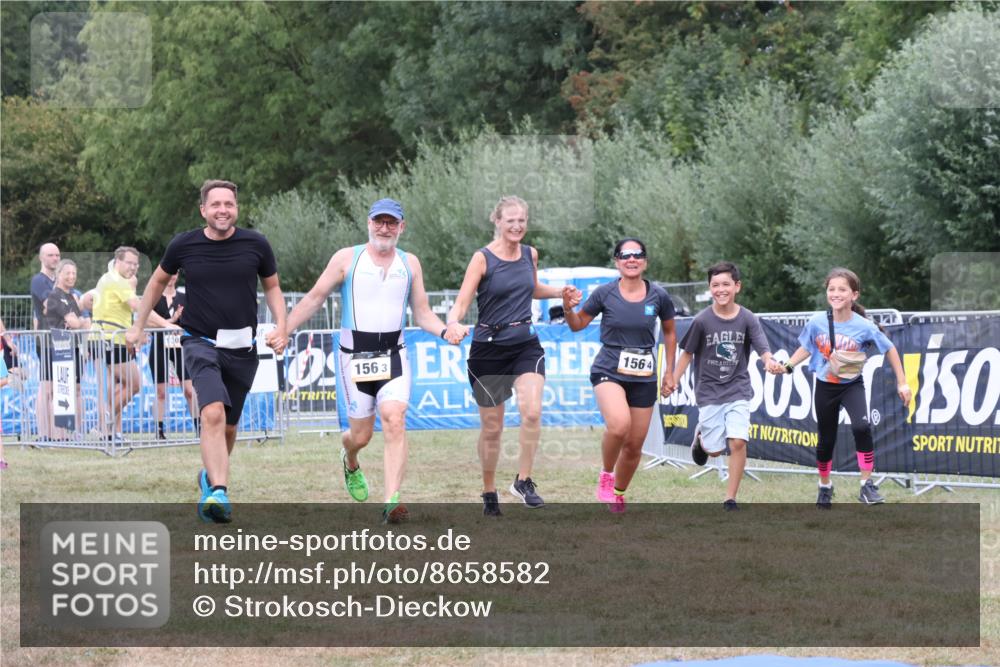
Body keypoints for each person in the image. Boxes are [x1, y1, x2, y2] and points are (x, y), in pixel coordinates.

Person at [286, 198, 464, 524]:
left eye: (391, 223)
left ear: (401, 227)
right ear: (368, 223)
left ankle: (392, 500)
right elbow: (314, 297)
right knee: (361, 436)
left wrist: (444, 331)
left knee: (394, 416)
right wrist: (285, 329)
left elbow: (422, 312)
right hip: (354, 356)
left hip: (394, 354)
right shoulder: (346, 258)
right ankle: (350, 458)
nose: (385, 228)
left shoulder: (410, 264)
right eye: (379, 221)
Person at [126, 180, 287, 524]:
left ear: (236, 208)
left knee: (228, 427)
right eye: (215, 204)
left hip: (243, 347)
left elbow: (272, 286)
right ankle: (219, 491)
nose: (223, 210)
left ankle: (209, 478)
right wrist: (139, 326)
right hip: (200, 342)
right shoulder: (184, 245)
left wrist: (282, 325)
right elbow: (155, 282)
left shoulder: (255, 244)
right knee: (212, 412)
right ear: (203, 209)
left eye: (229, 204)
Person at [444, 195, 580, 516]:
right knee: (493, 429)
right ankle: (489, 490)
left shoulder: (530, 254)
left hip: (525, 344)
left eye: (522, 221)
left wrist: (560, 291)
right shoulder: (482, 259)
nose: (517, 226)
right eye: (511, 221)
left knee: (531, 412)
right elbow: (462, 302)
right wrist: (453, 323)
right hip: (488, 350)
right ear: (498, 222)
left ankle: (524, 480)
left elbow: (531, 288)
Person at [775, 267, 911, 508]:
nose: (836, 294)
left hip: (851, 385)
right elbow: (807, 347)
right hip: (826, 387)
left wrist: (902, 382)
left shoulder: (865, 326)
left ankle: (867, 485)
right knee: (826, 440)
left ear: (854, 295)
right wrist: (787, 365)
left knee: (861, 426)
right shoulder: (817, 322)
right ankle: (825, 486)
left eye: (842, 289)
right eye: (832, 289)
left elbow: (889, 348)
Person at [562, 238, 677, 513]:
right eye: (625, 255)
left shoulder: (659, 296)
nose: (631, 259)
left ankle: (618, 492)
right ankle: (605, 474)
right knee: (619, 425)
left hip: (645, 373)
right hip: (609, 368)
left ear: (645, 261)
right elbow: (578, 325)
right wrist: (568, 308)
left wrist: (669, 372)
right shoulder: (604, 293)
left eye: (637, 254)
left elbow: (671, 332)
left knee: (635, 445)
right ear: (617, 261)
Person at [668, 261, 781, 510]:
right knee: (716, 451)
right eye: (715, 285)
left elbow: (762, 347)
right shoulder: (702, 320)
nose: (721, 289)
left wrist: (769, 361)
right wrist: (673, 380)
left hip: (738, 388)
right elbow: (687, 354)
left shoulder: (747, 318)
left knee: (738, 442)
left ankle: (730, 498)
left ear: (737, 286)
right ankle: (702, 439)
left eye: (726, 284)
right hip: (709, 391)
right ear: (710, 288)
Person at [92, 247, 143, 443]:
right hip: (110, 340)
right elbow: (138, 307)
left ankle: (110, 432)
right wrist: (166, 323)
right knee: (134, 384)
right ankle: (104, 421)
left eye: (135, 264)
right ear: (118, 262)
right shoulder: (116, 280)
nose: (133, 267)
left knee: (119, 387)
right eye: (129, 262)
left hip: (115, 339)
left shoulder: (110, 279)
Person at [43, 260, 91, 439]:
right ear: (59, 274)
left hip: (74, 347)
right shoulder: (54, 295)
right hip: (58, 348)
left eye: (74, 273)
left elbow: (86, 324)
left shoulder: (72, 296)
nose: (71, 277)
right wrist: (79, 323)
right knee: (59, 391)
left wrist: (79, 323)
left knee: (76, 389)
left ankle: (74, 432)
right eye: (67, 273)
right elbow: (75, 322)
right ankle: (58, 434)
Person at [149, 274, 197, 439]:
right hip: (159, 345)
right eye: (169, 273)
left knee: (189, 390)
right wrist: (172, 319)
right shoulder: (155, 297)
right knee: (161, 391)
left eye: (175, 274)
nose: (171, 277)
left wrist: (181, 321)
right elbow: (147, 321)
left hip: (179, 346)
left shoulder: (184, 297)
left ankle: (199, 428)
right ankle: (159, 430)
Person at [29, 242, 60, 441]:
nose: (55, 259)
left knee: (59, 388)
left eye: (57, 255)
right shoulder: (38, 281)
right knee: (46, 386)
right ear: (42, 258)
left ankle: (58, 434)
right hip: (46, 338)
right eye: (50, 255)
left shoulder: (59, 279)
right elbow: (52, 304)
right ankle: (43, 433)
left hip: (62, 338)